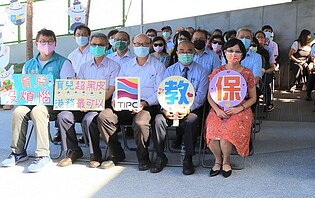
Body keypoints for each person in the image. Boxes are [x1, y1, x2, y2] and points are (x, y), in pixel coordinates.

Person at [1, 29, 76, 172]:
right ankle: (18, 152)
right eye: (43, 41)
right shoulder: (29, 64)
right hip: (30, 103)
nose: (46, 45)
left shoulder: (63, 63)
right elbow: (22, 87)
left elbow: (68, 88)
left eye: (50, 42)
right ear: (37, 43)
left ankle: (43, 155)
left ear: (55, 43)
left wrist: (51, 89)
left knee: (39, 110)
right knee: (19, 111)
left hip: (52, 106)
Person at [97, 34, 165, 170]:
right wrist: (116, 98)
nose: (141, 47)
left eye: (145, 44)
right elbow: (118, 85)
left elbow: (159, 92)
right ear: (132, 45)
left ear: (150, 46)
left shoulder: (158, 66)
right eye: (138, 44)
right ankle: (116, 153)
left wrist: (144, 104)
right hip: (125, 103)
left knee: (140, 122)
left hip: (146, 105)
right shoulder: (127, 66)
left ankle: (143, 156)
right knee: (104, 117)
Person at [57, 32, 120, 168]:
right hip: (82, 104)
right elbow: (80, 88)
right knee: (63, 116)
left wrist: (92, 104)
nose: (97, 47)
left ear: (107, 46)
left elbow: (110, 90)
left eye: (100, 45)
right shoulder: (84, 67)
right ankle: (73, 150)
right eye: (94, 44)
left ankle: (95, 154)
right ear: (90, 46)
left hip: (101, 104)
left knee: (89, 119)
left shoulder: (114, 66)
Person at [151, 40, 209, 175]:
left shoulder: (202, 72)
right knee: (158, 120)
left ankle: (188, 158)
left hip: (191, 109)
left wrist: (187, 109)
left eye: (189, 51)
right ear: (176, 52)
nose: (185, 54)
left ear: (194, 53)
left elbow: (200, 96)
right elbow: (162, 92)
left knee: (191, 121)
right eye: (182, 51)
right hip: (170, 108)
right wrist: (165, 109)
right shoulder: (170, 70)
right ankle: (160, 156)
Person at [205, 39, 257, 178]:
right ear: (224, 52)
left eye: (237, 51)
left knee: (226, 134)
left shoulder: (247, 73)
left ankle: (226, 161)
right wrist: (217, 110)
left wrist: (239, 108)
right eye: (230, 50)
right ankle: (218, 160)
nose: (233, 54)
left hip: (240, 109)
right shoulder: (218, 71)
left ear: (243, 54)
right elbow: (210, 95)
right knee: (213, 133)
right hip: (219, 108)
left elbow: (253, 98)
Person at [255, 30, 276, 111]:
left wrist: (264, 71)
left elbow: (272, 67)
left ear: (265, 39)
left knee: (265, 83)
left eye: (262, 37)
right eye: (258, 37)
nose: (260, 39)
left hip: (265, 72)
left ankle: (268, 103)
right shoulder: (251, 49)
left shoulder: (268, 50)